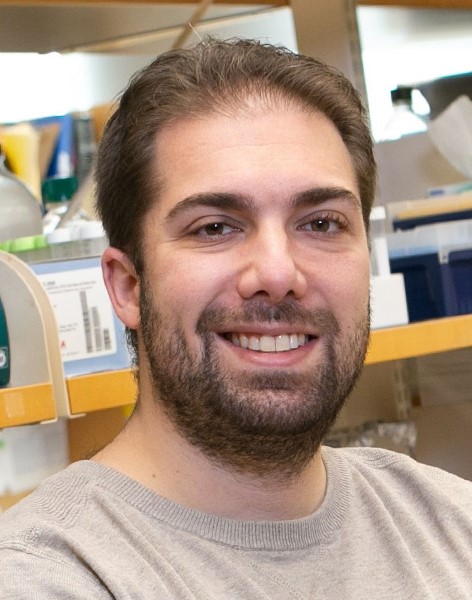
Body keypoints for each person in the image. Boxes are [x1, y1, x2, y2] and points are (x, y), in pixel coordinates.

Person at [1, 38, 471, 599]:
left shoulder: (452, 525)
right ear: (127, 286)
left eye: (321, 223)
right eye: (215, 228)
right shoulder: (49, 576)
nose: (277, 272)